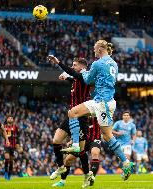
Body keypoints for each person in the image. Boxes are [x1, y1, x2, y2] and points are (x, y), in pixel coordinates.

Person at [60, 40, 134, 180]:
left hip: (101, 102)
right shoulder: (114, 63)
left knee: (72, 112)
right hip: (110, 102)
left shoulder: (97, 63)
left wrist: (81, 71)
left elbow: (87, 81)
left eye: (94, 48)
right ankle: (126, 162)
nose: (93, 51)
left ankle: (76, 145)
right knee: (107, 136)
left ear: (100, 49)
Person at [48, 57, 94, 188]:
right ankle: (61, 168)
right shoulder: (75, 79)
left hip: (81, 118)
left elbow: (73, 74)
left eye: (74, 65)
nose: (73, 67)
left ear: (82, 67)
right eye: (72, 65)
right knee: (56, 141)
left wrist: (58, 63)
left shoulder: (84, 77)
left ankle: (86, 176)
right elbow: (72, 76)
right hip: (70, 116)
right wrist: (65, 77)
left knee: (79, 153)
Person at [4, 114, 21, 180]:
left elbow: (18, 136)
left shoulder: (15, 127)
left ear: (13, 120)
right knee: (7, 158)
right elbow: (2, 134)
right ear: (7, 119)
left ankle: (9, 174)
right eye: (9, 118)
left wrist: (18, 144)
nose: (10, 119)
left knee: (11, 161)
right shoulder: (4, 127)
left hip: (13, 146)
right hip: (6, 145)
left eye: (11, 118)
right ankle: (5, 172)